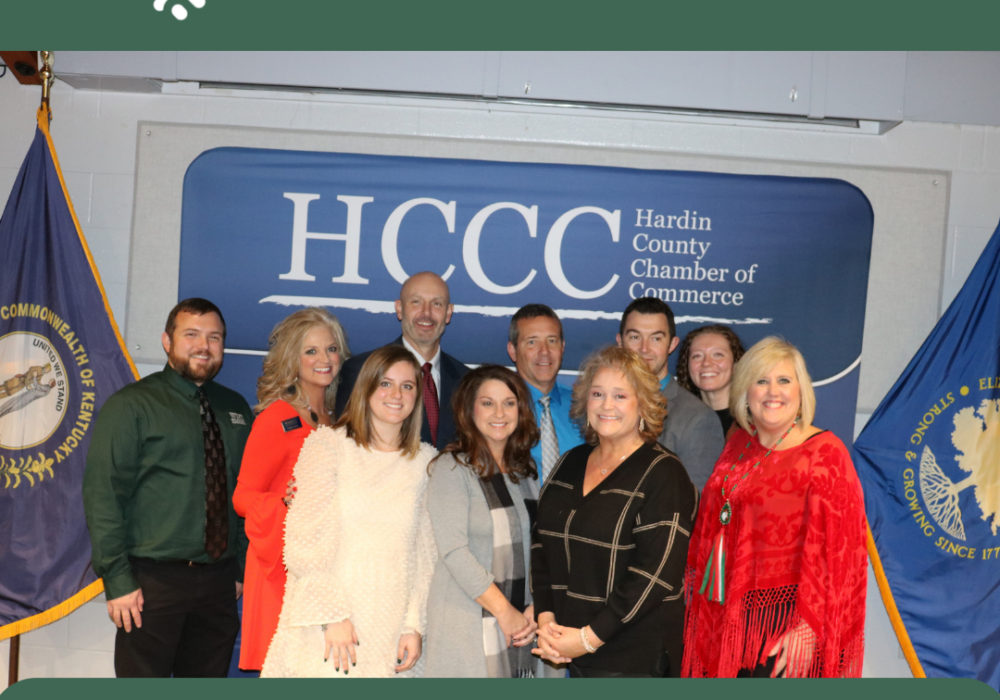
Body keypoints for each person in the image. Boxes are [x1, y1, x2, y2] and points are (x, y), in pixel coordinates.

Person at [83, 298, 253, 677]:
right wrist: (118, 580)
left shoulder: (236, 408)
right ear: (166, 341)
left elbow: (247, 493)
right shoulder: (131, 406)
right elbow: (104, 497)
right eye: (191, 334)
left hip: (219, 583)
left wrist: (240, 569)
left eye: (214, 337)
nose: (203, 346)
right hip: (151, 584)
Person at [682, 337, 867, 678]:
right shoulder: (739, 442)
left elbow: (842, 554)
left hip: (788, 622)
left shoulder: (826, 453)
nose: (773, 391)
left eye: (784, 380)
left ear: (801, 391)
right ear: (745, 391)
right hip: (730, 613)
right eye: (761, 381)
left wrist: (809, 628)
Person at [262, 345, 437, 678]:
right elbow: (304, 540)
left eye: (407, 386)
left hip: (393, 632)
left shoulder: (426, 462)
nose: (396, 395)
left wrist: (414, 625)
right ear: (366, 387)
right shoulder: (328, 445)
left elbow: (426, 553)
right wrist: (333, 616)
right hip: (329, 626)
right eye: (385, 383)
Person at [531, 346, 697, 678]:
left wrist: (588, 639)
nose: (607, 405)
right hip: (574, 651)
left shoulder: (664, 473)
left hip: (636, 659)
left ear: (643, 405)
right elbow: (541, 544)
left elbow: (654, 576)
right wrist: (546, 619)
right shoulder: (570, 463)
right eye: (598, 394)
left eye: (620, 395)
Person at [232, 307, 350, 672]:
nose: (324, 359)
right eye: (310, 351)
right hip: (281, 568)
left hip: (328, 565)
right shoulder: (276, 418)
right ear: (291, 358)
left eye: (331, 349)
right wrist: (286, 504)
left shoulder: (339, 419)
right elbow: (242, 498)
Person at [424, 366, 541, 678]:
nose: (499, 413)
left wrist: (536, 607)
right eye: (487, 403)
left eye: (509, 403)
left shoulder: (525, 472)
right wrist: (505, 612)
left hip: (523, 624)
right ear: (469, 410)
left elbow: (540, 547)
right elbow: (454, 552)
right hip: (467, 622)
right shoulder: (452, 468)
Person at [335, 271, 469, 449]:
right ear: (399, 308)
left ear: (448, 312)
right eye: (416, 302)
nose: (426, 312)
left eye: (436, 304)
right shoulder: (361, 369)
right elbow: (345, 444)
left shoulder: (467, 380)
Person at [617, 297, 724, 491]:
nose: (644, 348)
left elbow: (696, 501)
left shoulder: (698, 418)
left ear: (672, 344)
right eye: (635, 337)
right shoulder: (603, 407)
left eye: (656, 338)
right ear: (620, 341)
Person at [507, 304, 584, 483]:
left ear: (562, 347)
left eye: (552, 341)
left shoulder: (584, 406)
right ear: (513, 351)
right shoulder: (497, 409)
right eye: (532, 342)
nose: (544, 352)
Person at [675, 324, 746, 435]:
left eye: (718, 354)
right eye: (697, 356)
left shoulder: (754, 422)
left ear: (736, 364)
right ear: (686, 366)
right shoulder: (675, 422)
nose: (706, 363)